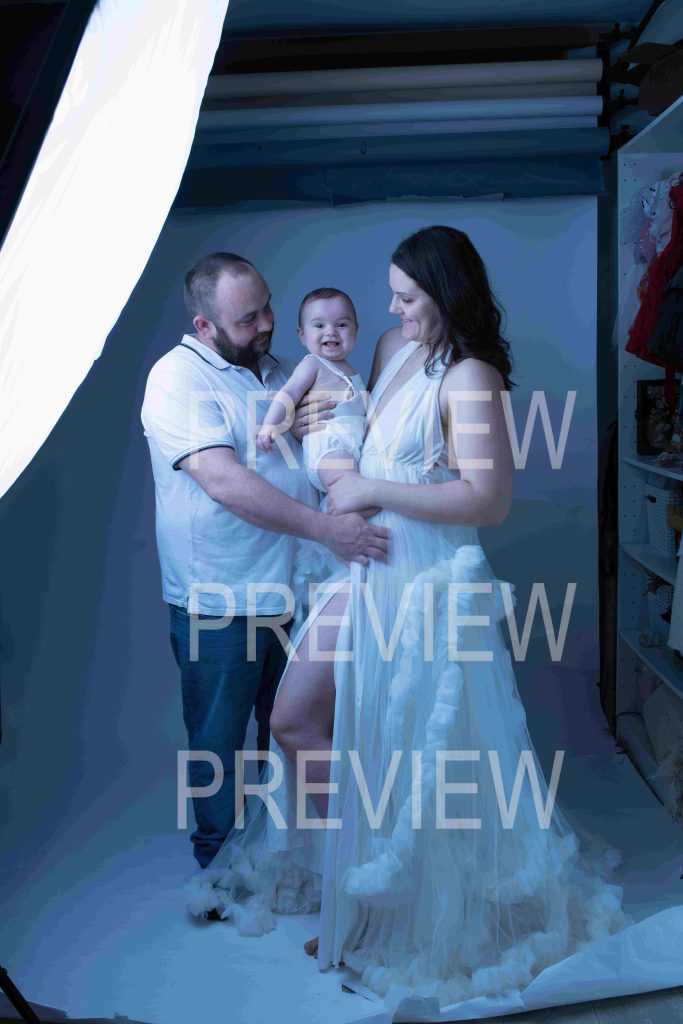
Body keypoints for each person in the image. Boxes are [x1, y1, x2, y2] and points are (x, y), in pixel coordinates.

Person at [187, 228, 678, 1016]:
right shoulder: (391, 348)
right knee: (297, 719)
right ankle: (364, 881)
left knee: (415, 742)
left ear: (446, 295)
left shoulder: (470, 377)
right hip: (363, 562)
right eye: (391, 296)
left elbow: (486, 499)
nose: (390, 309)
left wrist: (371, 489)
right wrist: (320, 426)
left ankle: (394, 902)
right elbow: (353, 424)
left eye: (406, 297)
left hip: (424, 577)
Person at [141, 252, 389, 869]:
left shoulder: (277, 369)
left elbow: (302, 447)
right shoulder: (177, 378)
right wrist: (329, 530)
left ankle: (279, 860)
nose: (267, 324)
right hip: (220, 597)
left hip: (294, 590)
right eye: (248, 319)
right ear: (204, 326)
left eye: (268, 308)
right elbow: (223, 480)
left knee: (290, 734)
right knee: (218, 744)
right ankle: (218, 870)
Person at [257, 287, 367, 494]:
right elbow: (288, 393)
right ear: (302, 335)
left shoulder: (350, 370)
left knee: (357, 485)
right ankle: (343, 505)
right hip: (330, 447)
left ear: (356, 330)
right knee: (349, 488)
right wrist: (269, 424)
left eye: (342, 324)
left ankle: (339, 505)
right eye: (319, 325)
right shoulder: (313, 364)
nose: (331, 331)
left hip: (352, 446)